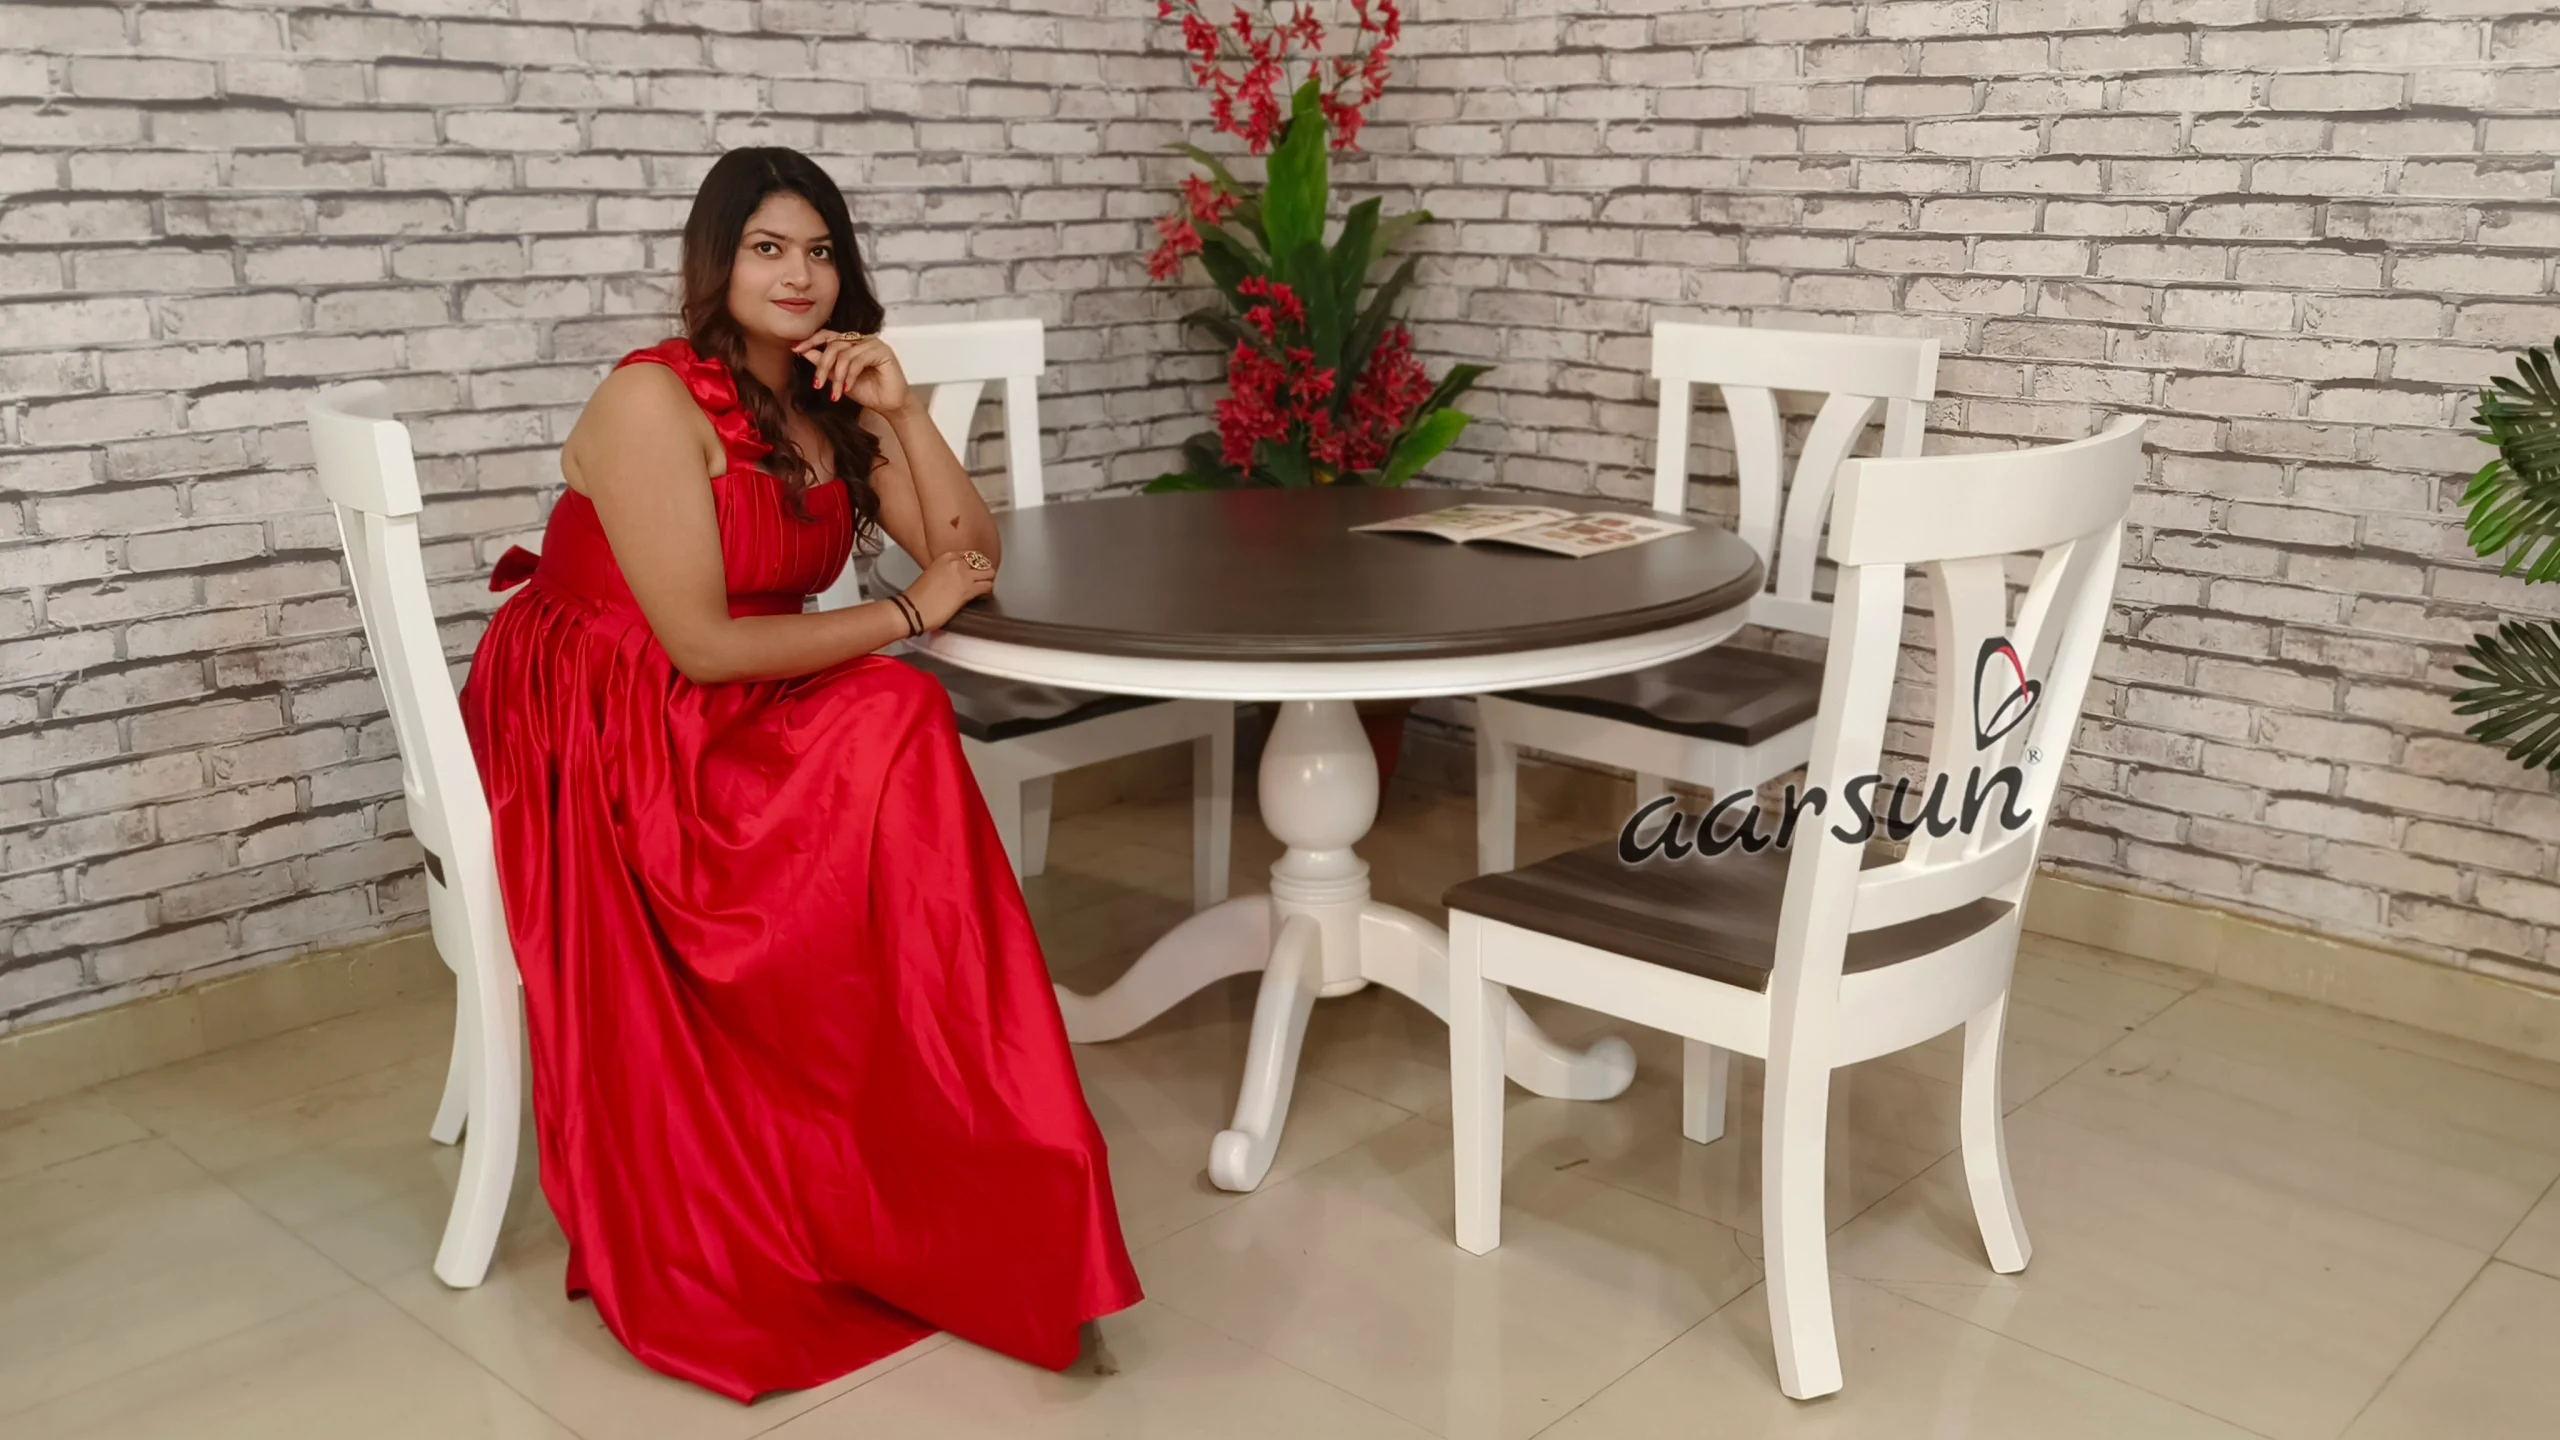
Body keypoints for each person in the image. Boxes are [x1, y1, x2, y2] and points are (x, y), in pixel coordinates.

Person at [457, 146, 1143, 1404]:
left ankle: (959, 1153)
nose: (798, 275)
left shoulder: (826, 400)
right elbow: (702, 646)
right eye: (767, 248)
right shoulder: (649, 402)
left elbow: (968, 557)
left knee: (898, 716)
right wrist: (905, 616)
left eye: (820, 251)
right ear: (715, 262)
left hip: (742, 692)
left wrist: (905, 414)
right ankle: (877, 1137)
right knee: (896, 706)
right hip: (610, 709)